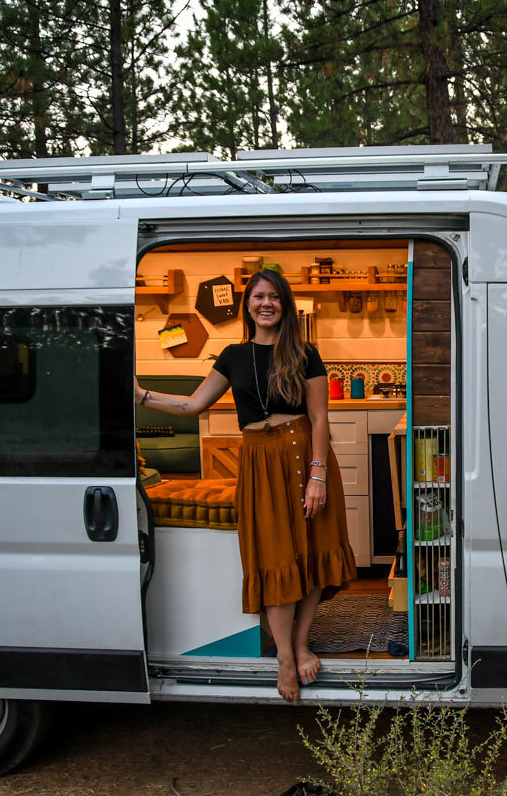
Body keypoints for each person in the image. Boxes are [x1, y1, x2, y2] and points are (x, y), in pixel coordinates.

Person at [134, 269, 357, 703]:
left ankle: (300, 642)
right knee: (274, 558)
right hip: (260, 462)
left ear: (284, 304)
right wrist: (142, 396)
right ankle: (286, 661)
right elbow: (193, 404)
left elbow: (319, 418)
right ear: (248, 304)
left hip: (304, 456)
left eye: (274, 296)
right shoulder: (232, 356)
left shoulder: (305, 353)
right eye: (258, 296)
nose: (266, 303)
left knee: (311, 553)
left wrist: (318, 476)